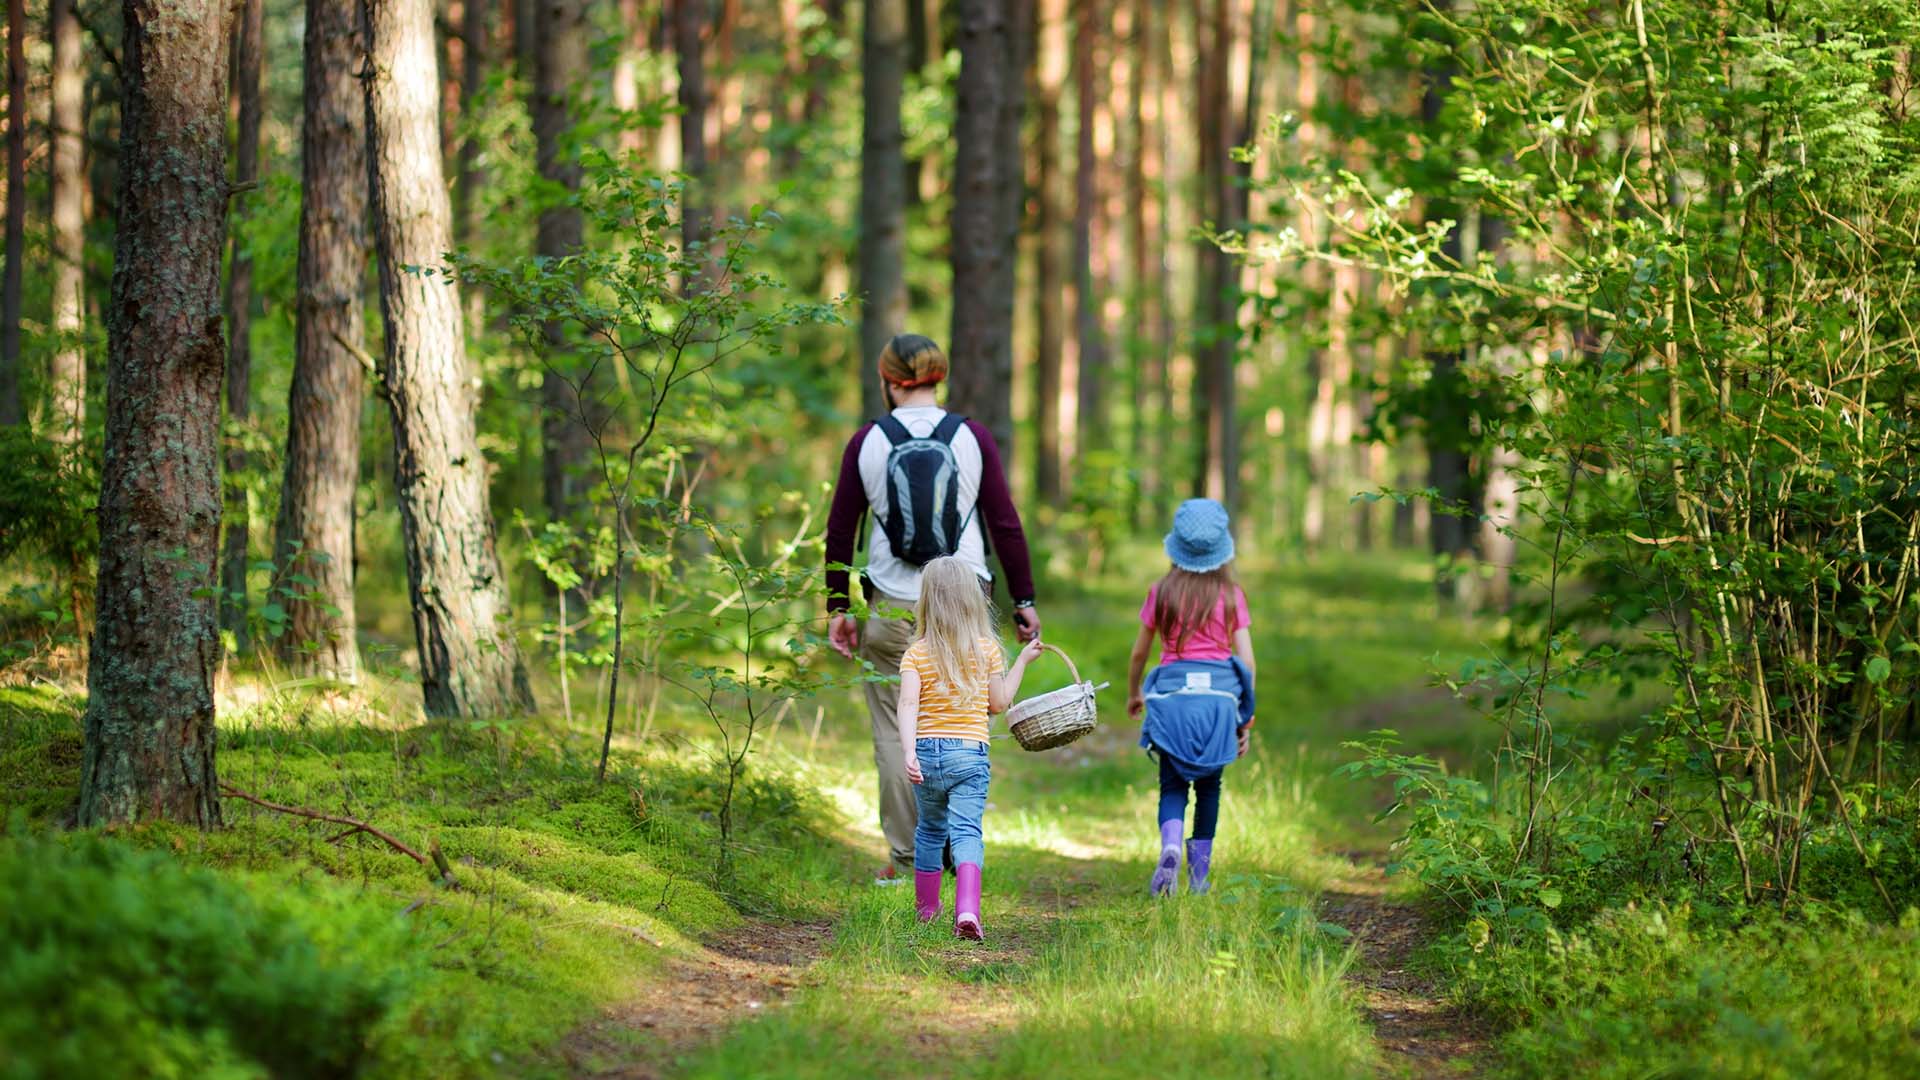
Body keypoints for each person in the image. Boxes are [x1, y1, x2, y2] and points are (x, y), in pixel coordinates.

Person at [824, 334, 1042, 884]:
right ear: (936, 377)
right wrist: (1024, 600)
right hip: (966, 600)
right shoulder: (971, 437)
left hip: (894, 607)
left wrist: (837, 606)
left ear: (889, 380)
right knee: (966, 719)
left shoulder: (867, 441)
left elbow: (841, 530)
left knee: (896, 734)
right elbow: (1005, 522)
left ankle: (907, 859)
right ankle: (957, 842)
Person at [897, 557, 1043, 939]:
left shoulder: (916, 653)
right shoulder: (986, 650)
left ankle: (927, 909)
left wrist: (909, 752)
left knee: (929, 830)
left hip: (926, 753)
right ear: (972, 600)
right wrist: (1023, 661)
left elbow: (908, 704)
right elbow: (999, 703)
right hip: (968, 753)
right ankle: (967, 911)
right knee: (966, 833)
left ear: (926, 601)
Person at [1124, 498, 1256, 897]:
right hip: (1218, 704)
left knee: (1173, 785)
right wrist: (1244, 718)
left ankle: (1169, 844)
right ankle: (1199, 877)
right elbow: (1246, 663)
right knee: (1210, 787)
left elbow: (1139, 653)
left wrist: (1135, 693)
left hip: (1171, 700)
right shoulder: (1232, 595)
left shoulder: (1161, 592)